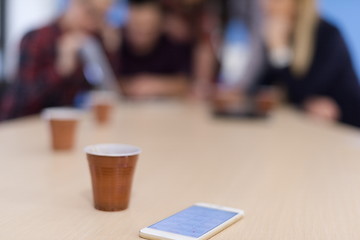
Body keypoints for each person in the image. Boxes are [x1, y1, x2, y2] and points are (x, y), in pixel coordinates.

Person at [0, 0, 115, 120]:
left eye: (102, 17)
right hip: (19, 124)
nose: (94, 24)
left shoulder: (92, 41)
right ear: (74, 3)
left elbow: (108, 92)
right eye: (91, 13)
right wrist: (60, 69)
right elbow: (24, 100)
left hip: (66, 126)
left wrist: (111, 50)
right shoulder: (37, 38)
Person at [257, 0, 360, 127]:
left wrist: (279, 51)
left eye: (276, 1)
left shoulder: (328, 35)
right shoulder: (284, 35)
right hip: (311, 125)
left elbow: (301, 91)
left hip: (348, 127)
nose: (266, 4)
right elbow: (264, 86)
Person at [117, 0, 192, 100]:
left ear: (160, 26)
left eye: (148, 27)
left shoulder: (172, 46)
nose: (142, 31)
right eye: (137, 26)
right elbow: (108, 82)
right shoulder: (117, 48)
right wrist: (130, 87)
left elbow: (186, 83)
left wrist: (156, 86)